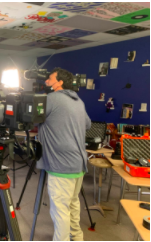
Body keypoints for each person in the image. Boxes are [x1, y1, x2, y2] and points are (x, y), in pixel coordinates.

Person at [37, 68, 91, 241]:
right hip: (78, 164)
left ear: (59, 82)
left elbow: (29, 118)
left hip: (61, 165)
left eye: (50, 78)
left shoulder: (51, 99)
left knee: (60, 210)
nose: (46, 81)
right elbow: (88, 124)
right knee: (73, 204)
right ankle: (76, 237)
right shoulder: (78, 101)